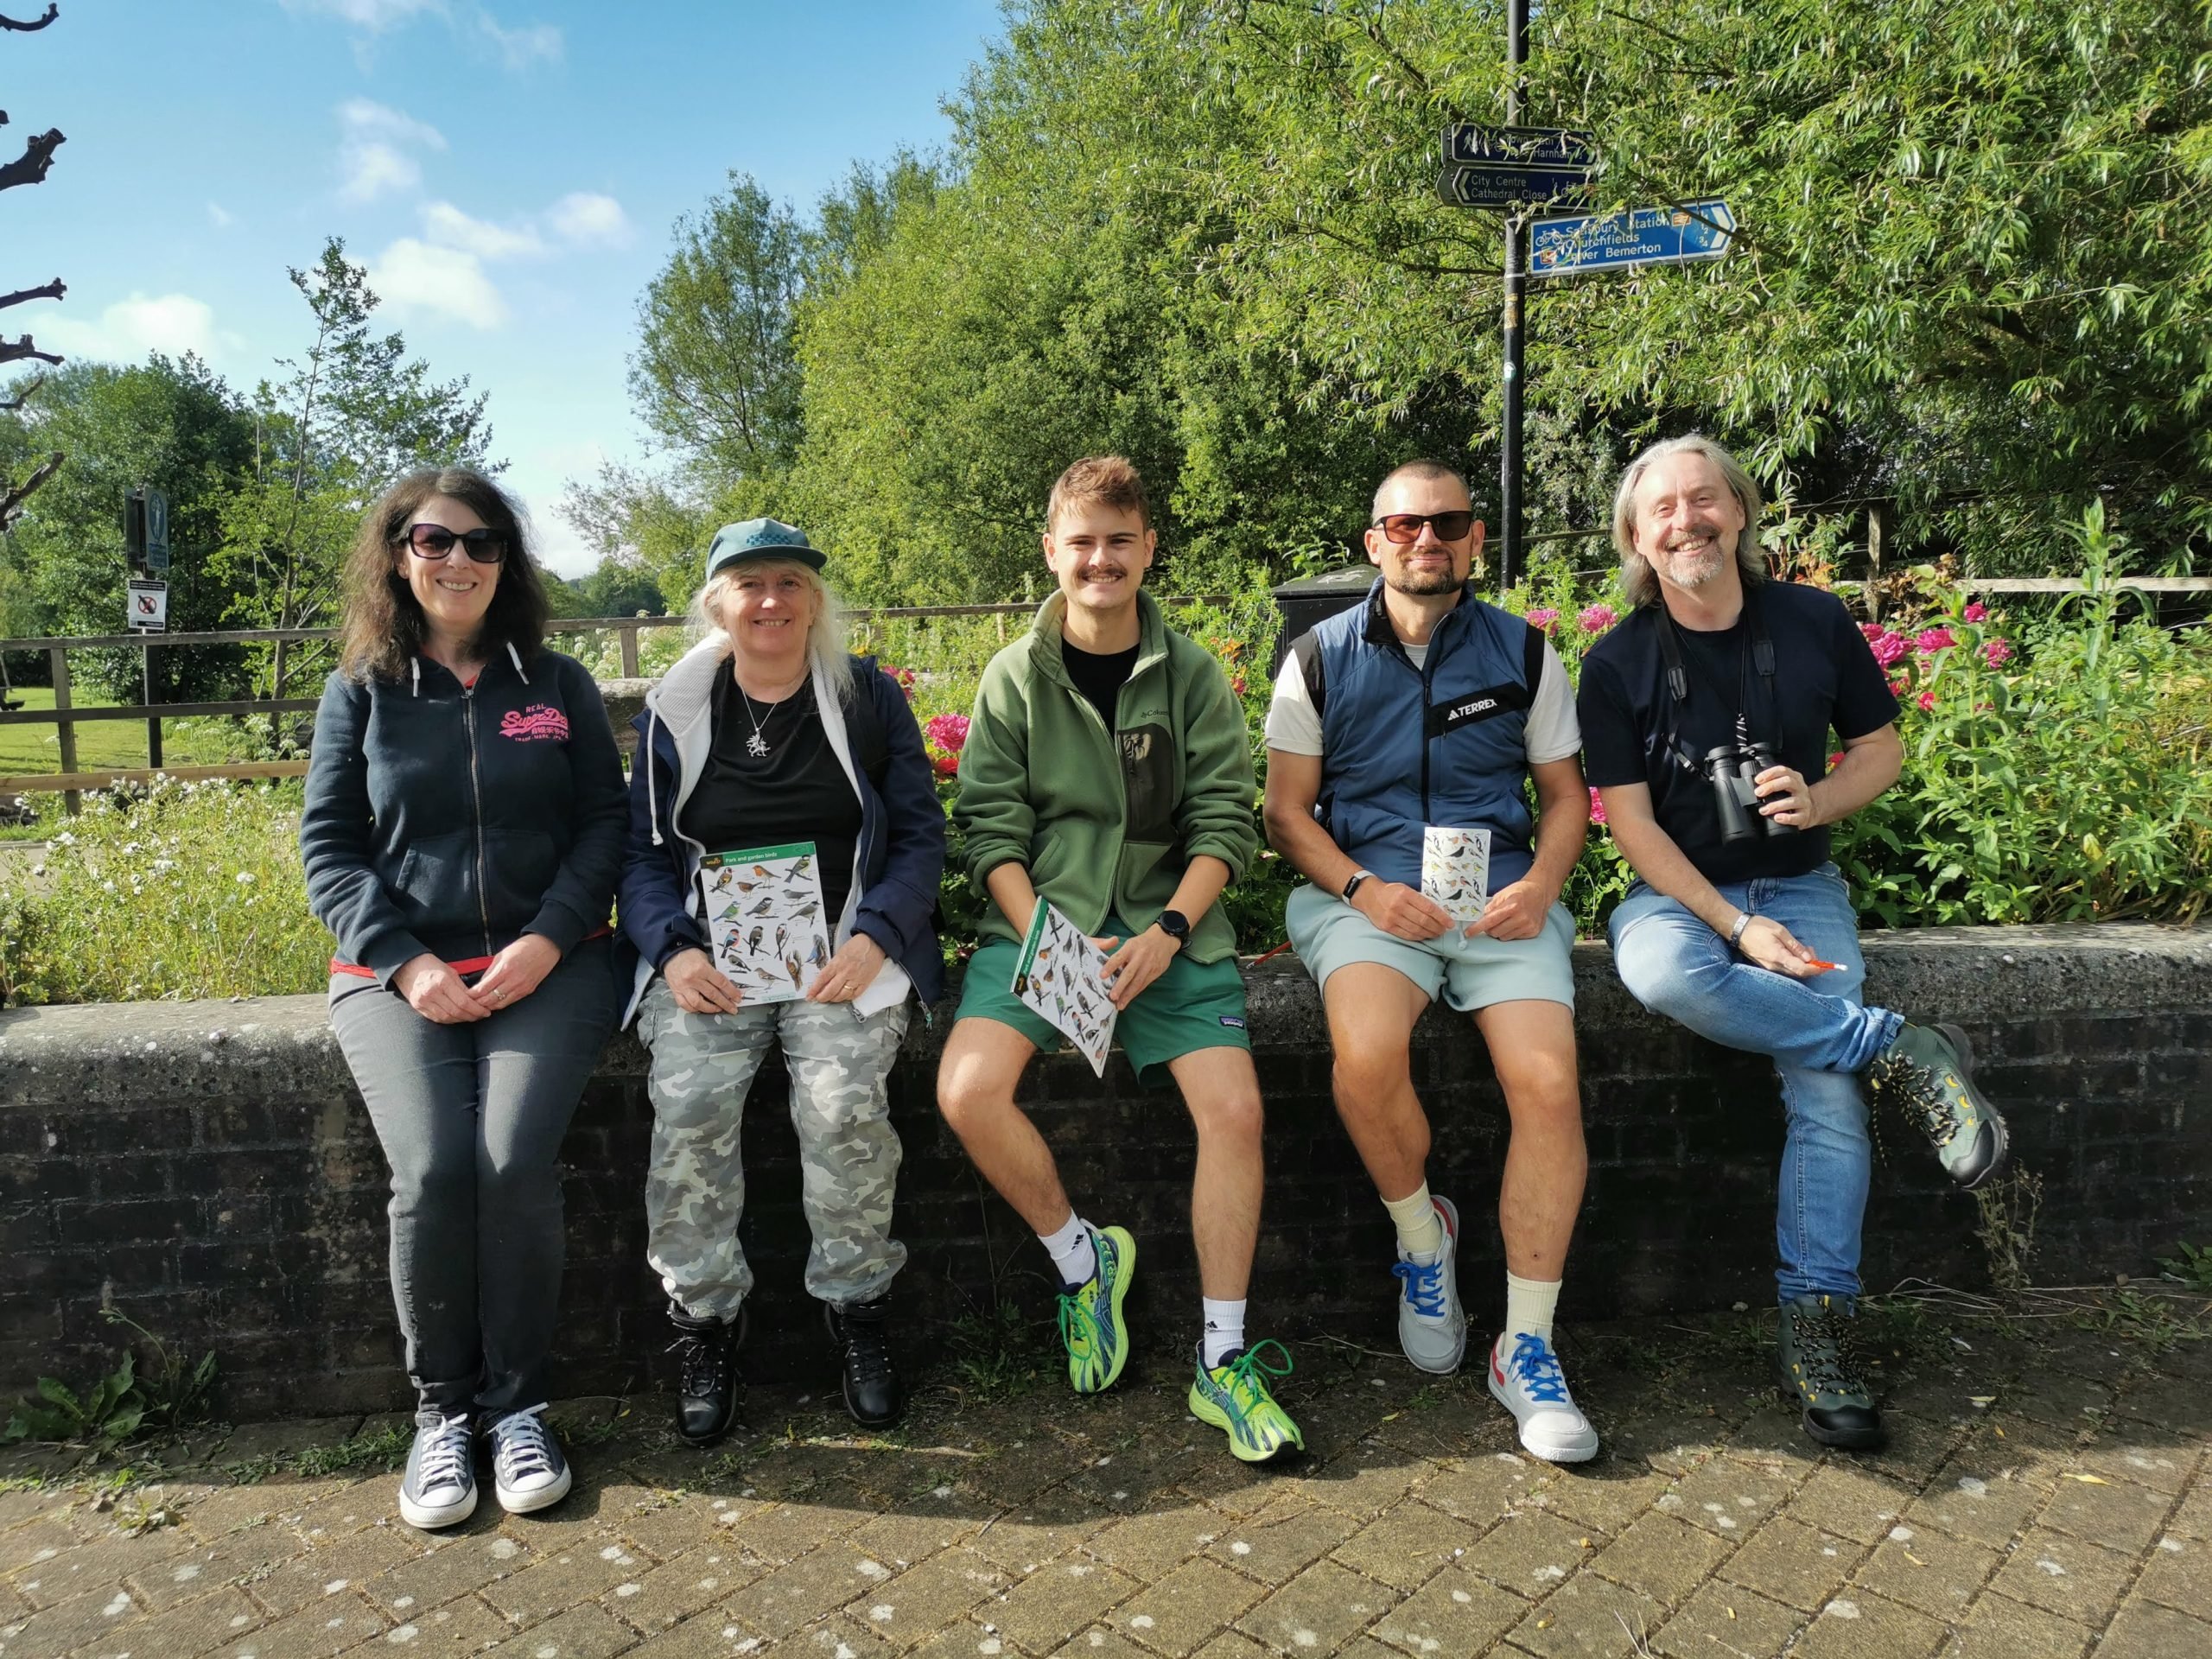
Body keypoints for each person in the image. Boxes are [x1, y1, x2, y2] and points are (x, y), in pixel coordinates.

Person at [1577, 434, 2011, 1452]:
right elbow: (1630, 825)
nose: (1686, 521)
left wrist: (1816, 796)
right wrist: (1735, 925)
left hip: (1802, 882)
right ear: (1637, 540)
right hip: (1680, 897)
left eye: (1703, 500)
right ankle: (1893, 1046)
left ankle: (1818, 1330)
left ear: (1739, 510)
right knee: (1658, 970)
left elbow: (1883, 751)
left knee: (1820, 1097)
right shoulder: (1617, 660)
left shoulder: (1815, 621)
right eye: (1662, 511)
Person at [937, 455, 1301, 1463]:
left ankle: (1222, 1359)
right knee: (968, 1092)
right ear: (1052, 551)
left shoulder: (1188, 676)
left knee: (1235, 1113)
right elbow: (991, 830)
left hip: (1165, 938)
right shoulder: (1013, 675)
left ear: (1147, 550)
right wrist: (1050, 933)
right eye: (1081, 542)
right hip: (1041, 935)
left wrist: (1167, 933)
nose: (1100, 560)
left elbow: (1225, 820)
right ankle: (1082, 1260)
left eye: (1120, 541)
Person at [302, 467, 626, 1530]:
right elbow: (331, 851)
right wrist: (406, 962)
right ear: (398, 553)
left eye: (482, 543)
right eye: (435, 540)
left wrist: (546, 937)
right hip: (397, 976)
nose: (459, 561)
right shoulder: (361, 688)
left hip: (556, 964)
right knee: (437, 1170)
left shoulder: (556, 682)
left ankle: (519, 1407)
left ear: (507, 562)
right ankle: (443, 1415)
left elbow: (604, 830)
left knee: (512, 1159)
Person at [1263, 460, 1599, 1464]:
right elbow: (1285, 813)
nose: (1426, 540)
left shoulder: (1523, 652)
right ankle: (1423, 1240)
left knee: (1546, 1082)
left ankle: (1525, 1347)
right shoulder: (1318, 656)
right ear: (1373, 542)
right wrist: (1364, 891)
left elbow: (1567, 800)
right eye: (1404, 525)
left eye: (1446, 522)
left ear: (1473, 537)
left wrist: (1540, 886)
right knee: (1365, 1058)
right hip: (1368, 898)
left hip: (1498, 899)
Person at [619, 518, 944, 1444]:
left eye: (790, 584)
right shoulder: (673, 713)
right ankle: (704, 1322)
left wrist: (879, 935)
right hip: (711, 963)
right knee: (687, 1107)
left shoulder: (867, 697)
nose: (770, 602)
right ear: (716, 602)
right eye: (749, 584)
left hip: (839, 952)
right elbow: (638, 857)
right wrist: (674, 950)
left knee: (842, 1103)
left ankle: (859, 1313)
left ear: (815, 599)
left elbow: (920, 834)